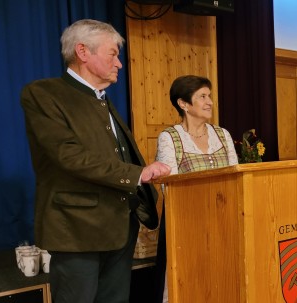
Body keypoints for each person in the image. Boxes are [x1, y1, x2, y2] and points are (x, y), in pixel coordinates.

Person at [20, 19, 171, 303]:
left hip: (120, 227)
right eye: (113, 54)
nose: (119, 64)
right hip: (77, 230)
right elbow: (69, 155)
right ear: (83, 52)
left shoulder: (102, 100)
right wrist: (139, 174)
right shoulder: (43, 93)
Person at [154, 75, 239, 303]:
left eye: (209, 96)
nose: (209, 101)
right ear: (183, 104)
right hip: (186, 226)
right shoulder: (169, 137)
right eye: (202, 96)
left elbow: (236, 176)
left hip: (224, 224)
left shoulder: (223, 135)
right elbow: (169, 187)